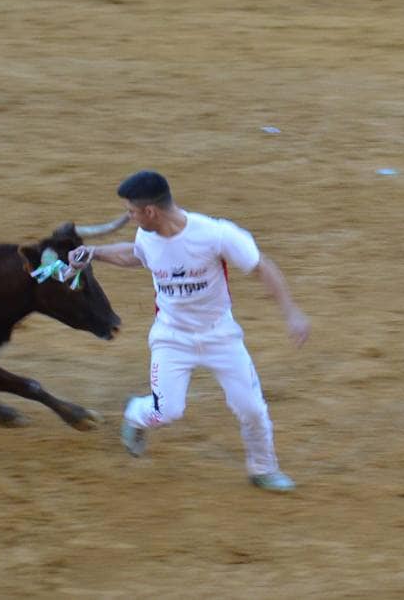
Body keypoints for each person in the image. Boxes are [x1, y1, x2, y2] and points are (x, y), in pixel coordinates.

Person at [75, 171, 309, 493]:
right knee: (166, 411)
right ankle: (135, 414)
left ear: (151, 212)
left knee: (252, 408)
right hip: (171, 338)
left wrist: (291, 312)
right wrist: (95, 253)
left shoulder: (216, 234)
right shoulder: (147, 236)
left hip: (221, 336)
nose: (129, 218)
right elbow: (135, 254)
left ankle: (263, 469)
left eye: (131, 212)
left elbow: (261, 266)